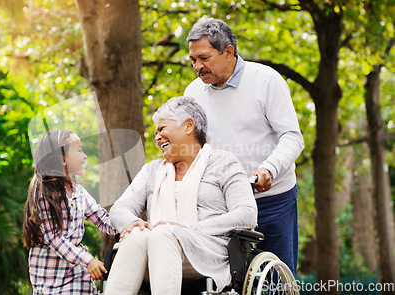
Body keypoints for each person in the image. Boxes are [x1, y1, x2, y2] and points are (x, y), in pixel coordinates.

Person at [184, 18, 305, 275]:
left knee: (277, 279)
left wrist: (269, 169)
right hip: (223, 206)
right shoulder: (193, 93)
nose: (197, 66)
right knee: (228, 280)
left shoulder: (266, 80)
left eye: (203, 58)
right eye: (193, 60)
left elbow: (292, 137)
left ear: (228, 52)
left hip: (272, 201)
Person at [104, 96, 257, 294]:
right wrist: (132, 222)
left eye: (162, 129)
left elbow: (247, 214)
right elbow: (119, 208)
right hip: (152, 254)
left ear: (188, 126)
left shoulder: (223, 163)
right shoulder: (152, 170)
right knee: (137, 234)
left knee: (164, 233)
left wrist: (189, 229)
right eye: (156, 132)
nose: (157, 137)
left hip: (206, 255)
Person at [23, 129, 116, 294]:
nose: (85, 156)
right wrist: (88, 261)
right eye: (79, 150)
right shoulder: (42, 190)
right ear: (63, 160)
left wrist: (128, 226)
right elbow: (54, 238)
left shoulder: (78, 191)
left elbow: (102, 219)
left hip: (77, 273)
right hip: (51, 277)